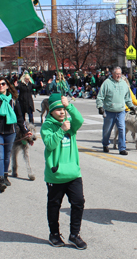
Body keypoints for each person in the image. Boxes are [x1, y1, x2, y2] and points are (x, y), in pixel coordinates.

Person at [41, 93, 87, 249]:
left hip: (73, 173)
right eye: (58, 109)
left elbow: (80, 120)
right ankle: (54, 234)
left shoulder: (70, 122)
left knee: (79, 202)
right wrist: (61, 130)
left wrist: (69, 106)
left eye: (63, 109)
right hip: (56, 175)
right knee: (54, 205)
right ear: (51, 111)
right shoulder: (47, 126)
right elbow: (50, 145)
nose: (61, 112)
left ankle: (75, 234)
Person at [0, 77, 31, 192]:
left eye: (3, 84)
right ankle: (0, 180)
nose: (1, 86)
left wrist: (25, 130)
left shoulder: (13, 100)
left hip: (10, 132)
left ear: (8, 86)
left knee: (7, 155)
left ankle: (5, 175)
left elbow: (19, 117)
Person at [96, 66, 136, 155]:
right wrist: (100, 107)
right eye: (117, 74)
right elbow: (100, 96)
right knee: (107, 130)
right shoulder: (107, 83)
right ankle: (105, 144)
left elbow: (127, 98)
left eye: (120, 74)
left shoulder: (124, 84)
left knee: (122, 129)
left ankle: (122, 148)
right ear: (112, 74)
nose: (118, 76)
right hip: (109, 111)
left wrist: (131, 106)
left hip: (121, 111)